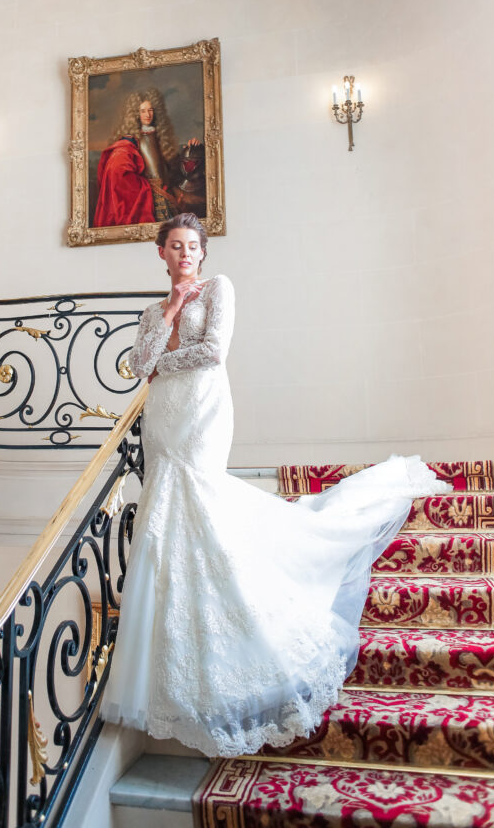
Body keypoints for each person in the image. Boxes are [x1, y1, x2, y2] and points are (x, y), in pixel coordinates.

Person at [100, 213, 449, 757]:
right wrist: (167, 315)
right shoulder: (153, 310)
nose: (185, 253)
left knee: (201, 501)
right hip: (163, 417)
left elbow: (213, 350)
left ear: (203, 252)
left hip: (203, 408)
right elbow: (135, 365)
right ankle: (175, 655)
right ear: (162, 254)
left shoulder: (220, 288)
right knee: (165, 514)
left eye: (193, 245)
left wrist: (162, 358)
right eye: (175, 245)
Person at [93, 89, 201, 227]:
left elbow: (170, 168)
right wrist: (146, 187)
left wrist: (189, 150)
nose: (148, 114)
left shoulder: (160, 137)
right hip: (151, 198)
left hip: (167, 194)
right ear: (135, 114)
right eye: (143, 111)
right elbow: (119, 172)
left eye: (150, 110)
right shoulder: (131, 142)